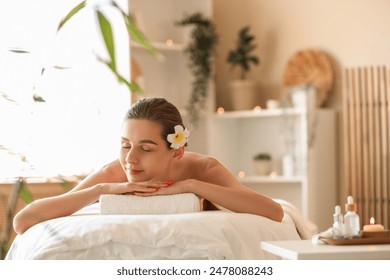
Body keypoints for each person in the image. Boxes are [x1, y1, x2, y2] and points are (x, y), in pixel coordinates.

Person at [13, 98, 283, 234]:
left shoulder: (203, 169)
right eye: (125, 145)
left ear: (176, 151)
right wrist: (101, 189)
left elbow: (273, 211)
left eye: (146, 148)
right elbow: (23, 221)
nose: (130, 159)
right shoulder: (113, 173)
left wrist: (190, 186)